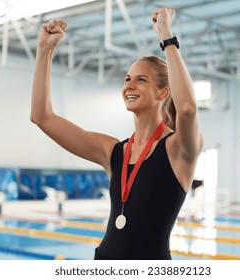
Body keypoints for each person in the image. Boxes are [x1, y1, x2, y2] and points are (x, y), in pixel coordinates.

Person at [31, 7, 204, 260]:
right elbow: (42, 117)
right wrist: (44, 50)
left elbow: (187, 108)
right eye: (127, 79)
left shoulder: (178, 149)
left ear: (163, 93)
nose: (129, 85)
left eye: (141, 80)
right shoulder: (112, 151)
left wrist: (166, 35)